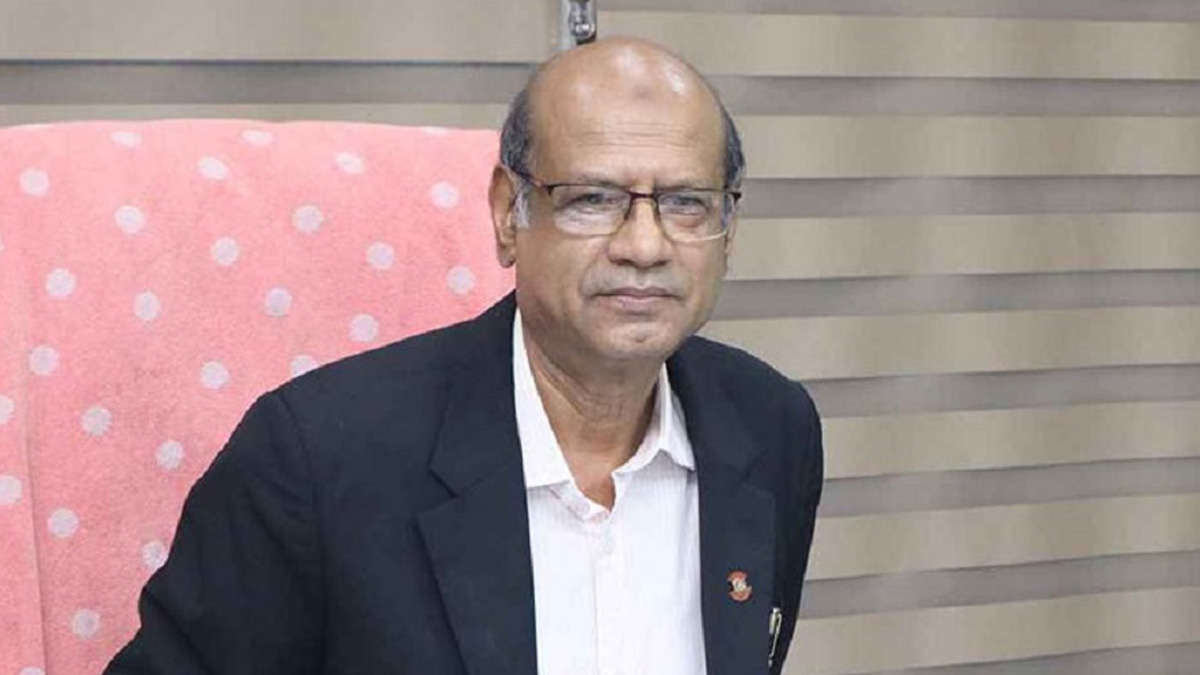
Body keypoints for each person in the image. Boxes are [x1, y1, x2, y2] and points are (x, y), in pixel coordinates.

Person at [105, 37, 823, 675]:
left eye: (687, 203)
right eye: (593, 199)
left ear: (729, 229)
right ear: (508, 214)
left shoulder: (771, 429)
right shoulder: (316, 459)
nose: (644, 245)